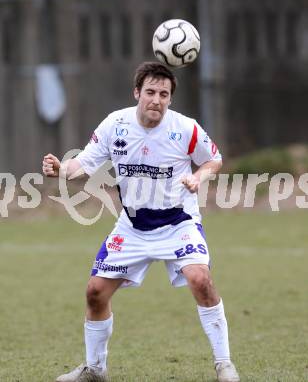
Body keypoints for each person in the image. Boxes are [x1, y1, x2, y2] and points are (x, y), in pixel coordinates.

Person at [42, 61, 240, 382]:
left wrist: (198, 176)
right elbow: (84, 163)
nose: (156, 100)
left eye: (164, 94)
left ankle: (224, 364)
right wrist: (61, 170)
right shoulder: (115, 125)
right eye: (150, 92)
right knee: (95, 293)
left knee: (200, 280)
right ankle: (95, 369)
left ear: (170, 99)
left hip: (178, 222)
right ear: (137, 92)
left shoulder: (185, 129)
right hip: (132, 227)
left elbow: (214, 159)